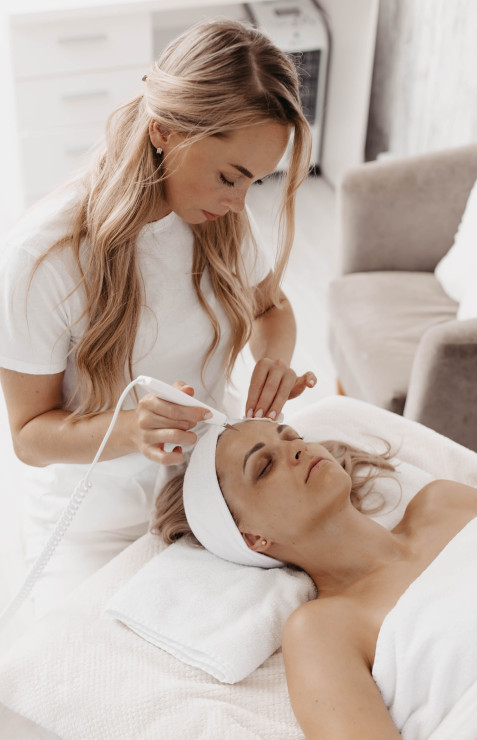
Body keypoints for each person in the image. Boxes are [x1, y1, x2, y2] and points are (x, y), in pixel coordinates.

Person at [0, 19, 315, 615]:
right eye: (229, 177)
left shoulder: (218, 219)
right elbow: (29, 439)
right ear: (164, 130)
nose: (239, 203)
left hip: (212, 489)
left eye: (254, 182)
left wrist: (274, 358)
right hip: (93, 522)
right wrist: (131, 431)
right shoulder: (43, 258)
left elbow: (272, 307)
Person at [152, 418, 477, 739]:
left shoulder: (444, 501)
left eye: (291, 437)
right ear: (252, 537)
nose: (295, 449)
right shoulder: (321, 630)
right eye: (265, 467)